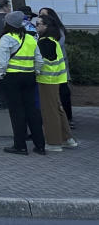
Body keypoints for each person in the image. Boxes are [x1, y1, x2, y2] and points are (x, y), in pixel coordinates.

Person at [0, 11, 45, 155]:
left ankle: (20, 146)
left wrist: (0, 75)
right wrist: (36, 72)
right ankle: (40, 146)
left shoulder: (6, 38)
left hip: (12, 78)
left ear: (8, 24)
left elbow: (3, 61)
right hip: (29, 77)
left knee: (17, 112)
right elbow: (39, 60)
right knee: (32, 111)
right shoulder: (30, 38)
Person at [34, 14, 77, 151]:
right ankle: (67, 138)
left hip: (47, 80)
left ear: (46, 26)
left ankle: (54, 142)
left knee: (49, 112)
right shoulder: (53, 40)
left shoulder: (44, 41)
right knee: (57, 109)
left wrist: (35, 70)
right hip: (56, 79)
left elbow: (42, 62)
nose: (36, 26)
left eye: (38, 24)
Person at [38, 7, 73, 125]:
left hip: (59, 67)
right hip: (50, 70)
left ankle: (68, 118)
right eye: (40, 14)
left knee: (63, 92)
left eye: (43, 14)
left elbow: (56, 46)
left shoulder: (57, 32)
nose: (41, 16)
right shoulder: (41, 34)